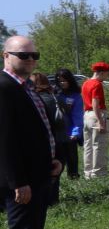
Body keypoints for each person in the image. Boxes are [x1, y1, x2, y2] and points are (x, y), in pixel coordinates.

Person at [1, 37, 63, 229]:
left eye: (34, 55)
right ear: (6, 56)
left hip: (39, 175)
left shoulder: (26, 87)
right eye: (23, 55)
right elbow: (5, 140)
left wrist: (54, 160)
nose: (30, 60)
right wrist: (18, 182)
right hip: (21, 183)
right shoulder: (4, 88)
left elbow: (37, 131)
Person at [29, 73, 68, 207]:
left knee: (45, 170)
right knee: (57, 170)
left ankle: (44, 199)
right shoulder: (55, 97)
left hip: (44, 139)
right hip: (60, 137)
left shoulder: (34, 99)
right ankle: (54, 199)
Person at [79, 60, 109, 179]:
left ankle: (88, 173)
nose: (108, 76)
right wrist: (100, 122)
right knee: (99, 145)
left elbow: (85, 102)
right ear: (101, 73)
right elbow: (95, 103)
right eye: (107, 73)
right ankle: (98, 174)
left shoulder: (86, 83)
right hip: (97, 114)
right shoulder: (97, 84)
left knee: (88, 146)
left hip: (87, 115)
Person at [53, 69, 83, 181]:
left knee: (72, 159)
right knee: (58, 160)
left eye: (64, 80)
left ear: (70, 80)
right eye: (59, 81)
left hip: (70, 133)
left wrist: (75, 132)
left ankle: (74, 179)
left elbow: (78, 116)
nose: (62, 83)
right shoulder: (54, 94)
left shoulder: (75, 96)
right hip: (56, 133)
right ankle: (56, 182)